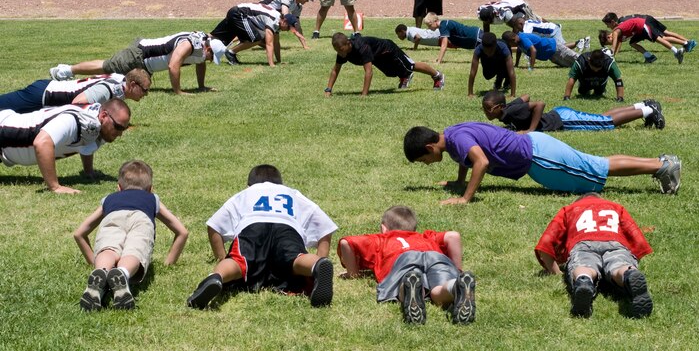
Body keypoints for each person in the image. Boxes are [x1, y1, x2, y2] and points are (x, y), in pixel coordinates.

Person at [403, 122, 681, 205]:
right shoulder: (450, 136)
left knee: (597, 168)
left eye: (424, 160)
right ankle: (660, 163)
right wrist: (459, 181)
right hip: (536, 149)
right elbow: (465, 158)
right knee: (595, 164)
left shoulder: (458, 139)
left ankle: (661, 166)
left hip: (539, 157)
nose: (427, 164)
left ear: (429, 147)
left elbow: (481, 161)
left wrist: (465, 198)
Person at [186, 164, 337, 309]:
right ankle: (317, 266)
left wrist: (221, 258)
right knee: (295, 259)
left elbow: (214, 225)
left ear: (248, 185)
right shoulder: (292, 193)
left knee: (238, 262)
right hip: (287, 228)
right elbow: (325, 227)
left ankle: (217, 277)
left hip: (253, 227)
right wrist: (319, 260)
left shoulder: (246, 194)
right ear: (281, 183)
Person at [74, 160, 188, 311]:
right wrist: (169, 263)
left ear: (119, 188)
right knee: (134, 251)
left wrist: (93, 261)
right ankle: (122, 272)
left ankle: (101, 271)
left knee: (108, 249)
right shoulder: (152, 199)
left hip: (113, 216)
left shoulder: (109, 199)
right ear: (150, 189)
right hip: (141, 220)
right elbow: (182, 232)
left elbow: (79, 233)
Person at [338, 205, 475, 325]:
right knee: (438, 291)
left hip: (403, 259)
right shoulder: (424, 236)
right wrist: (457, 270)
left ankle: (411, 288)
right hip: (434, 255)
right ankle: (454, 286)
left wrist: (353, 274)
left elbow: (346, 242)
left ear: (383, 228)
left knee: (404, 282)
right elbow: (453, 236)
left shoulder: (381, 238)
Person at [535, 193, 653, 318]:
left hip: (583, 244)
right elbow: (638, 240)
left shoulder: (569, 209)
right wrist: (633, 261)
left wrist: (556, 272)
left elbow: (546, 241)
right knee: (619, 264)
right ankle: (628, 274)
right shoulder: (616, 207)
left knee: (584, 264)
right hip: (615, 242)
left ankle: (584, 278)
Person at [0, 98, 131, 194]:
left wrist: (88, 171)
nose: (120, 134)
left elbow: (87, 143)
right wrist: (55, 187)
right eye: (118, 127)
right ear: (103, 115)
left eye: (123, 129)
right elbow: (42, 143)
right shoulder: (73, 121)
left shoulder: (97, 125)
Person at [49, 32, 226, 95]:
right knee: (108, 66)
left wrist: (201, 86)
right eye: (211, 58)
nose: (208, 61)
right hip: (139, 55)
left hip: (147, 67)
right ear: (208, 49)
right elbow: (173, 65)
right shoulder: (189, 44)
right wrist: (178, 91)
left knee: (115, 82)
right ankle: (65, 71)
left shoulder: (202, 45)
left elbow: (200, 62)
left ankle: (74, 76)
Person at [482, 90, 665, 132]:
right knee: (601, 118)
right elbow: (525, 96)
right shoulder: (508, 110)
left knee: (605, 123)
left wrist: (531, 130)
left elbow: (539, 103)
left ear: (499, 108)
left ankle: (649, 111)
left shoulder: (510, 113)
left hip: (563, 120)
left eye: (488, 109)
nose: (486, 112)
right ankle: (641, 105)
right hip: (561, 114)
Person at [325, 33, 445, 97]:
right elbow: (335, 70)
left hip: (387, 49)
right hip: (377, 56)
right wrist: (328, 90)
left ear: (348, 43)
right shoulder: (342, 52)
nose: (340, 53)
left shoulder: (361, 47)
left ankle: (437, 75)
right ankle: (404, 76)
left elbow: (368, 72)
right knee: (390, 72)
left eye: (341, 49)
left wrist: (364, 94)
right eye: (337, 50)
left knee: (410, 66)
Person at [0, 69, 151, 114]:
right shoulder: (108, 90)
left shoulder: (119, 79)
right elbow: (77, 103)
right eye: (144, 90)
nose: (146, 94)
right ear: (132, 85)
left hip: (47, 91)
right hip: (43, 95)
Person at [212, 3, 295, 67]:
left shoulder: (278, 21)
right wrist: (271, 64)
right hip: (239, 14)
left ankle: (202, 41)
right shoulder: (273, 20)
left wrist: (279, 61)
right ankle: (231, 52)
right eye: (288, 28)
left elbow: (276, 43)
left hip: (235, 11)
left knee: (216, 36)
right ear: (284, 21)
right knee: (257, 39)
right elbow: (269, 44)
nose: (287, 30)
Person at [601, 12, 696, 64]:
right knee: (633, 43)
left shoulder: (616, 30)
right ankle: (649, 57)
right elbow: (618, 43)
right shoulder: (618, 32)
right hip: (639, 30)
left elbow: (616, 40)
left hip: (643, 24)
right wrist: (613, 57)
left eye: (607, 24)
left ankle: (677, 51)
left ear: (613, 22)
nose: (607, 27)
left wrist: (612, 51)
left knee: (659, 38)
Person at [467, 32, 516, 97]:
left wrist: (512, 95)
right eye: (486, 50)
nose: (488, 53)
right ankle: (499, 76)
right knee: (487, 75)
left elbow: (511, 72)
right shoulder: (478, 49)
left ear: (495, 45)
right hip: (491, 61)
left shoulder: (504, 48)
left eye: (491, 50)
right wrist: (470, 93)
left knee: (506, 70)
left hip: (502, 60)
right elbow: (472, 72)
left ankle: (505, 82)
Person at [510, 14, 587, 52]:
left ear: (520, 24)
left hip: (552, 31)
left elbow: (526, 42)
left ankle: (580, 42)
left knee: (562, 47)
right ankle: (584, 41)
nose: (519, 30)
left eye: (517, 27)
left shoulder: (527, 28)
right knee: (563, 48)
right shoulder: (527, 22)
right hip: (551, 29)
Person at [503, 30, 578, 69]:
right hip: (551, 55)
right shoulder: (519, 42)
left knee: (578, 60)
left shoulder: (523, 38)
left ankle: (582, 45)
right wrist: (516, 64)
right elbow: (519, 51)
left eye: (510, 44)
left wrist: (531, 67)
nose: (511, 46)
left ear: (513, 39)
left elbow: (533, 50)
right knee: (571, 65)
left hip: (554, 48)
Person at [477, 0, 542, 33]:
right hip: (508, 4)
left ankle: (548, 26)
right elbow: (486, 26)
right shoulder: (482, 13)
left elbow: (516, 26)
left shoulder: (504, 13)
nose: (487, 23)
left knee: (528, 26)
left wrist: (513, 42)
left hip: (519, 5)